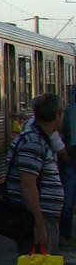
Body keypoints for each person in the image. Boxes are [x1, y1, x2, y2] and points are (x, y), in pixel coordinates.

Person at [4, 91, 69, 265]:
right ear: (58, 115)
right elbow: (28, 185)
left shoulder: (41, 139)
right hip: (37, 219)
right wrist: (39, 224)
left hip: (46, 218)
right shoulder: (32, 141)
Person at [61, 82, 76, 246]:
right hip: (71, 160)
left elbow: (61, 138)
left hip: (71, 159)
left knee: (67, 200)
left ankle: (64, 233)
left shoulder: (67, 113)